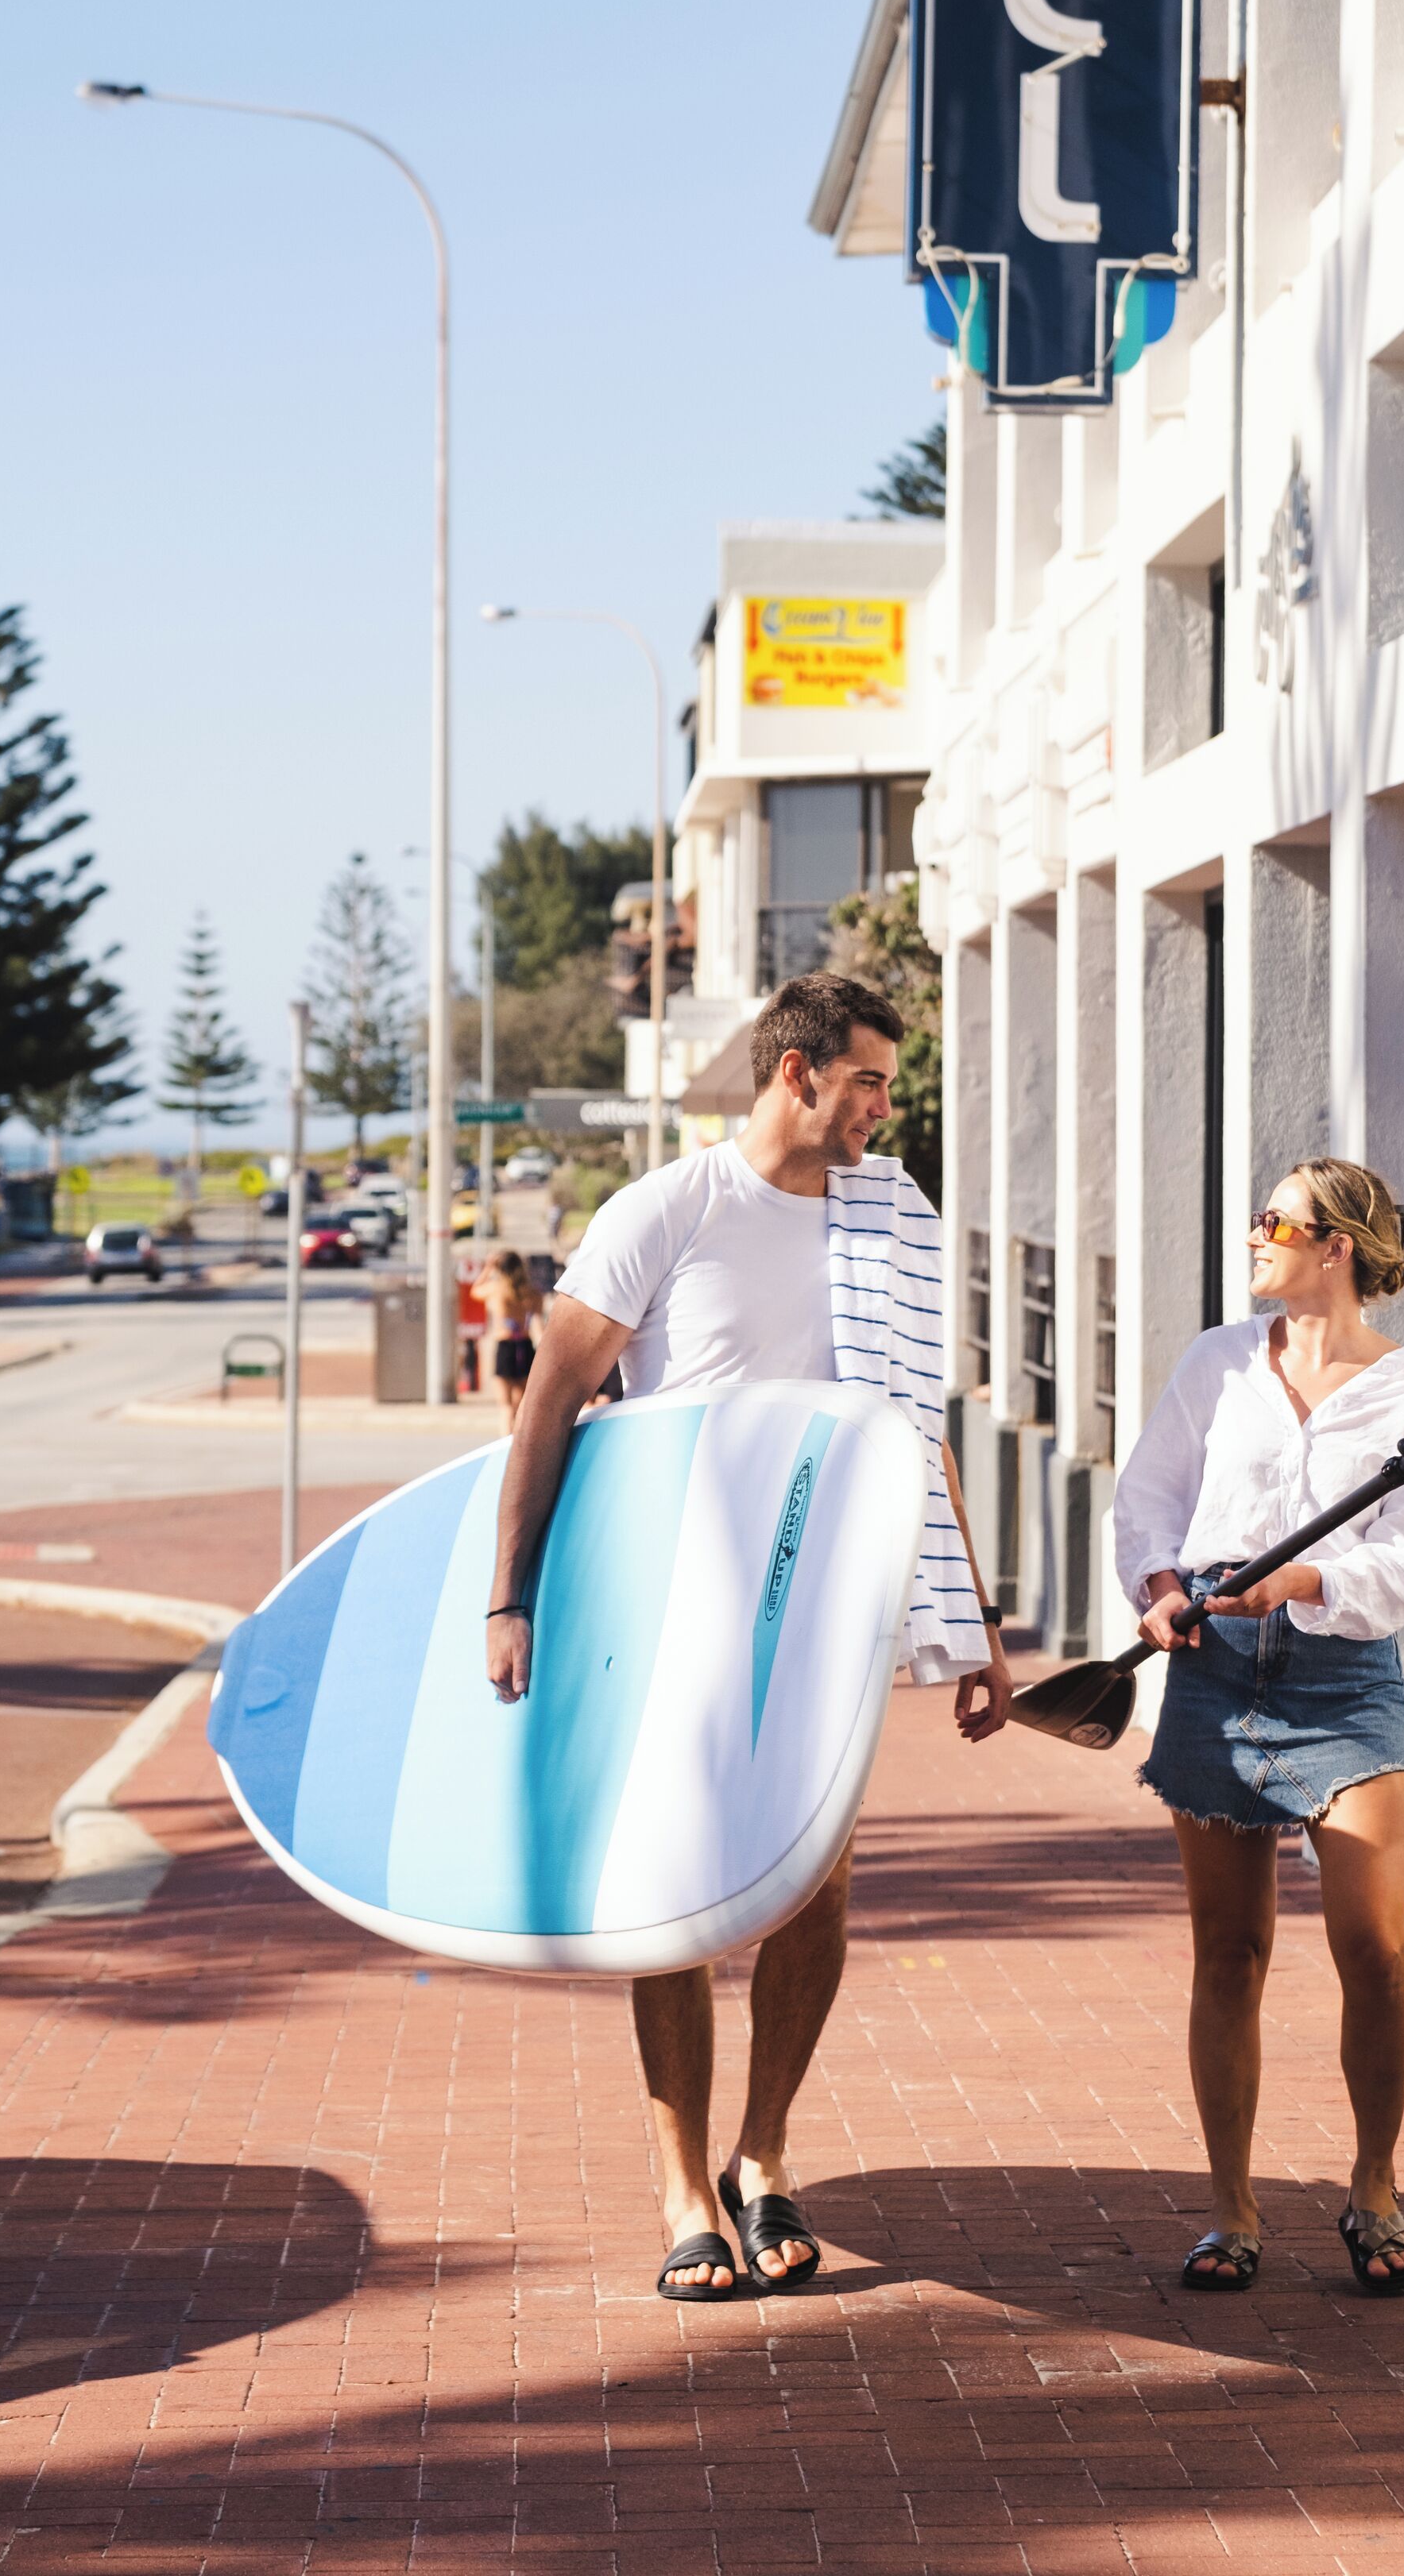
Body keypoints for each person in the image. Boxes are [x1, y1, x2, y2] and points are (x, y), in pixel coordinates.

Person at [483, 972, 1012, 2300]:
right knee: (677, 1896)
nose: (882, 1107)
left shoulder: (892, 1221)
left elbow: (919, 1429)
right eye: (867, 1081)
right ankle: (682, 2191)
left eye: (886, 1084)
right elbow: (551, 1402)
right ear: (796, 1073)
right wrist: (512, 1597)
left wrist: (976, 1621)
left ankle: (762, 2153)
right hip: (679, 1609)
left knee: (813, 1886)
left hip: (835, 1609)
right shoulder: (671, 1210)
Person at [1115, 1158, 1404, 2301]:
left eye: (1275, 1221)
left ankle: (1374, 2188)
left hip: (1343, 1676)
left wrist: (1303, 1580)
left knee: (1378, 1950)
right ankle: (1232, 2210)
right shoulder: (1219, 1362)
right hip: (1213, 1666)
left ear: (1336, 1247)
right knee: (1231, 1952)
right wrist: (1160, 1586)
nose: (1255, 1236)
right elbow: (1149, 1496)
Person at [472, 1246, 543, 1431]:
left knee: (505, 1406)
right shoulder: (532, 1292)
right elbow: (537, 1321)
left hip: (505, 1346)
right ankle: (518, 1440)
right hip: (525, 1346)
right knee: (520, 1405)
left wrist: (488, 1268)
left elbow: (475, 1290)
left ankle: (507, 1441)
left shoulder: (496, 1289)